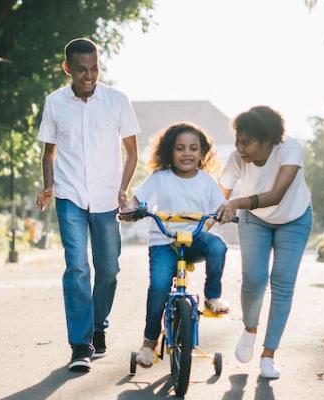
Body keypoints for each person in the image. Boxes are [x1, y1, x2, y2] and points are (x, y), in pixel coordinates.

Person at [36, 37, 141, 372]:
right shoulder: (54, 103)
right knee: (78, 267)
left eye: (94, 67)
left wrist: (124, 189)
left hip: (107, 198)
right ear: (68, 68)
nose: (89, 75)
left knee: (108, 269)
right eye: (81, 69)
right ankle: (80, 345)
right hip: (69, 196)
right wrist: (49, 186)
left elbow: (132, 151)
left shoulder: (117, 100)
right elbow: (48, 151)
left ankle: (99, 327)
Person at [120, 122, 230, 367]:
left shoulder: (207, 181)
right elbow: (138, 200)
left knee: (218, 246)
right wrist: (130, 209)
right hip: (164, 241)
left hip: (194, 239)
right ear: (170, 151)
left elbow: (221, 206)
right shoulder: (160, 178)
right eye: (180, 148)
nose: (187, 153)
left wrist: (226, 212)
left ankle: (213, 297)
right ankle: (149, 343)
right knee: (159, 287)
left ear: (202, 153)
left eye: (193, 148)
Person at [217, 105, 313, 379]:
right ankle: (250, 328)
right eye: (237, 140)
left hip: (294, 218)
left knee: (282, 282)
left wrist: (235, 202)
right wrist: (203, 221)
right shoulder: (238, 158)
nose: (239, 147)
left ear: (268, 139)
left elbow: (276, 195)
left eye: (246, 142)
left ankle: (269, 355)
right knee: (254, 279)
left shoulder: (290, 148)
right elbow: (218, 196)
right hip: (255, 220)